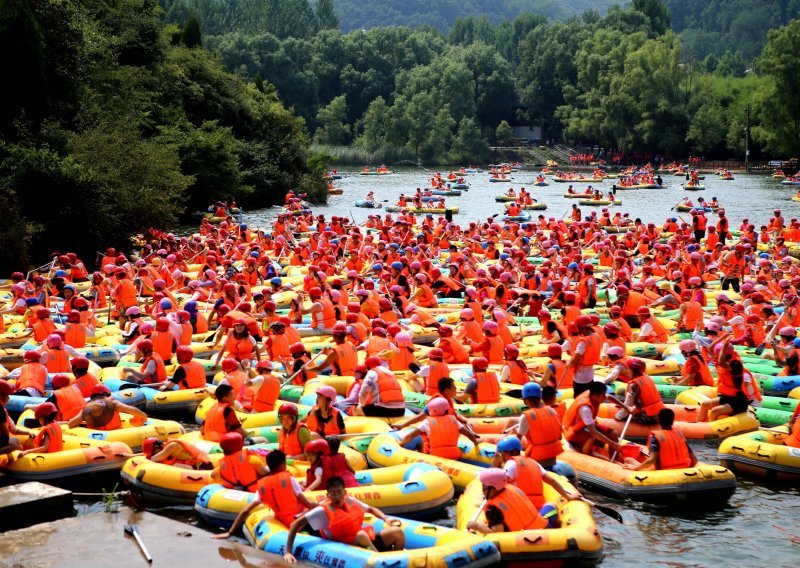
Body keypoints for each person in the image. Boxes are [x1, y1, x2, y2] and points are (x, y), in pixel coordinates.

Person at [282, 476, 405, 564]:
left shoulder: (350, 501)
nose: (336, 497)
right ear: (327, 495)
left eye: (339, 492)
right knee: (361, 535)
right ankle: (380, 561)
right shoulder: (323, 511)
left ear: (344, 492)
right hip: (345, 546)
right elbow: (295, 524)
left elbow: (371, 509)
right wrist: (288, 552)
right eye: (332, 493)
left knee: (397, 533)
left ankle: (397, 561)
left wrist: (385, 518)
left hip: (363, 541)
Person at [212, 450, 317, 539]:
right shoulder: (290, 479)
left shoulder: (262, 486)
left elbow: (245, 511)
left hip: (283, 522)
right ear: (282, 465)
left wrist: (229, 533)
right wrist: (323, 504)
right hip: (299, 523)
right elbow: (308, 505)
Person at [494, 436, 581, 513]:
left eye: (504, 453)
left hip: (519, 509)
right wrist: (568, 497)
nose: (502, 457)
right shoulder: (534, 462)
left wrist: (495, 466)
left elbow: (496, 484)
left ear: (514, 452)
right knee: (552, 506)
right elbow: (552, 481)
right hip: (536, 510)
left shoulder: (511, 464)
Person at [466, 468, 549, 534]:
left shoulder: (492, 509)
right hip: (542, 528)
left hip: (521, 538)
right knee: (551, 505)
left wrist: (477, 526)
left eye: (484, 488)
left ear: (493, 489)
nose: (482, 490)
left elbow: (496, 533)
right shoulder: (513, 489)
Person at [398, 397, 479, 458]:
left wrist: (401, 443)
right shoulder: (454, 420)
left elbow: (411, 435)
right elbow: (469, 434)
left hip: (436, 457)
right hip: (454, 456)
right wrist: (476, 442)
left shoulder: (427, 422)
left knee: (421, 441)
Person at [624, 408, 697, 471]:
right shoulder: (679, 435)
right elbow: (694, 459)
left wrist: (635, 469)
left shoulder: (656, 437)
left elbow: (652, 460)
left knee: (628, 460)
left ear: (659, 420)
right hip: (684, 468)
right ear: (672, 421)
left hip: (663, 471)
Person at [563, 382, 622, 458]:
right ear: (595, 396)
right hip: (573, 431)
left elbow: (609, 397)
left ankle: (615, 459)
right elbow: (593, 432)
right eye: (603, 396)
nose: (605, 397)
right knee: (591, 437)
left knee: (613, 433)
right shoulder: (585, 409)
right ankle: (588, 455)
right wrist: (612, 444)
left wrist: (626, 408)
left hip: (585, 426)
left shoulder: (595, 394)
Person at [516, 383, 563, 470]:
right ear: (540, 397)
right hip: (553, 456)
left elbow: (517, 441)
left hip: (538, 459)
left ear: (525, 400)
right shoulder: (551, 411)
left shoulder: (526, 416)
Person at [613, 358, 665, 424]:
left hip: (648, 417)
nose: (627, 371)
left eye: (628, 369)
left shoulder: (634, 385)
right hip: (658, 413)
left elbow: (628, 403)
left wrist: (618, 417)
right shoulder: (646, 377)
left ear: (632, 370)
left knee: (621, 417)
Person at [142, 437, 213, 470]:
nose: (154, 454)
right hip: (197, 466)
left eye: (154, 452)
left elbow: (153, 459)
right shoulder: (168, 446)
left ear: (157, 447)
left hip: (203, 468)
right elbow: (151, 455)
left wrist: (144, 460)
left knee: (169, 467)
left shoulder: (172, 446)